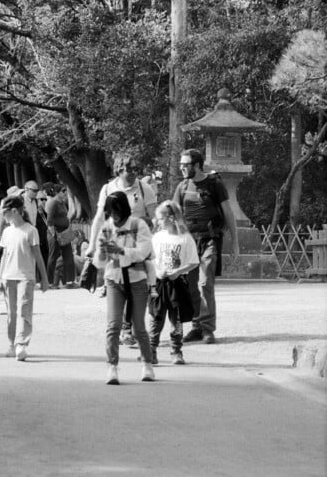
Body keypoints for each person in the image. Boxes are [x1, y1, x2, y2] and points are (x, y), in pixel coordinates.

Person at [86, 153, 158, 345]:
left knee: (136, 284)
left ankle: (132, 328)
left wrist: (146, 227)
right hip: (115, 242)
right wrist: (92, 245)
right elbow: (100, 218)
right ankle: (122, 328)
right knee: (118, 282)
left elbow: (155, 218)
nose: (134, 172)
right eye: (130, 169)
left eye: (136, 169)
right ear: (119, 169)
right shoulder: (108, 188)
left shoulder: (145, 188)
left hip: (137, 244)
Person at [173, 148, 239, 345]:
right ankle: (196, 327)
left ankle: (208, 329)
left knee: (205, 283)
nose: (182, 168)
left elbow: (228, 213)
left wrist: (234, 242)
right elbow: (174, 215)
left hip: (210, 239)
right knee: (192, 286)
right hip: (188, 243)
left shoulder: (214, 185)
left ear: (197, 165)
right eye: (181, 165)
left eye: (186, 165)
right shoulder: (182, 187)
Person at [92, 191, 154, 385]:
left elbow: (144, 252)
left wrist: (119, 250)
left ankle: (147, 364)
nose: (114, 216)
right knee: (113, 325)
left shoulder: (138, 225)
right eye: (111, 212)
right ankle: (112, 367)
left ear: (124, 209)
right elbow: (99, 263)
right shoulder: (106, 228)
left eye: (117, 211)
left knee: (138, 326)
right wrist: (102, 252)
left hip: (136, 279)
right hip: (114, 279)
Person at [0, 195, 49, 362]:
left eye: (5, 213)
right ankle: (12, 343)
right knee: (11, 313)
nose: (3, 216)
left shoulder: (31, 231)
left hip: (26, 277)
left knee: (23, 311)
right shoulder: (6, 231)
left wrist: (44, 278)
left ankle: (21, 344)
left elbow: (38, 256)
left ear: (14, 211)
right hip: (8, 277)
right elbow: (4, 257)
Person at [150, 200, 199, 365]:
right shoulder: (157, 237)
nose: (158, 222)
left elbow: (194, 262)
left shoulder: (185, 238)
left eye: (161, 218)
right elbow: (150, 259)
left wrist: (177, 272)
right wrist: (157, 272)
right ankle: (151, 350)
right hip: (159, 281)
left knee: (176, 318)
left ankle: (176, 350)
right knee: (156, 317)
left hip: (177, 282)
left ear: (171, 218)